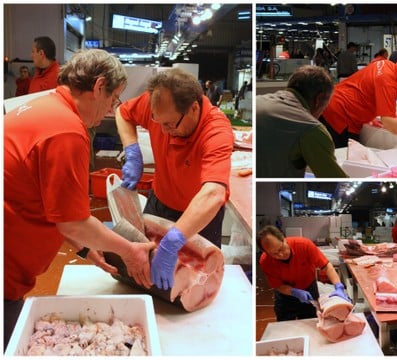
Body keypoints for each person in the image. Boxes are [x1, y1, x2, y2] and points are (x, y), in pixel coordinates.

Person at [4, 49, 155, 349]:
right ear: (99, 87)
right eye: (113, 99)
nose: (112, 109)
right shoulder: (67, 131)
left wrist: (87, 248)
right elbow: (73, 222)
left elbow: (50, 204)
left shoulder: (41, 106)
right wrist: (129, 251)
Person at [116, 68, 234, 291]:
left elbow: (213, 193)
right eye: (156, 122)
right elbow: (123, 112)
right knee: (143, 275)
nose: (163, 131)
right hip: (159, 202)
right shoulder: (159, 103)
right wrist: (132, 151)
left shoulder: (216, 130)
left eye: (170, 124)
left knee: (197, 283)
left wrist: (172, 243)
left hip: (199, 216)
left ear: (194, 108)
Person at [320, 55, 397, 151]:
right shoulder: (389, 81)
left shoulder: (386, 64)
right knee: (342, 160)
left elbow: (369, 90)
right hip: (340, 115)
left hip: (330, 103)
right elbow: (388, 122)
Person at [256, 65, 347, 178]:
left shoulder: (258, 100)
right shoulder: (311, 129)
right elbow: (336, 180)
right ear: (318, 99)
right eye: (325, 108)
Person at [257, 225, 351, 321]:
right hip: (285, 296)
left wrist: (338, 286)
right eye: (274, 254)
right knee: (285, 324)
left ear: (283, 238)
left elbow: (327, 267)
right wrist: (294, 292)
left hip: (309, 288)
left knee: (312, 321)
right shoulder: (265, 261)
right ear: (266, 252)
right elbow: (278, 286)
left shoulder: (304, 245)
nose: (280, 254)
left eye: (281, 249)